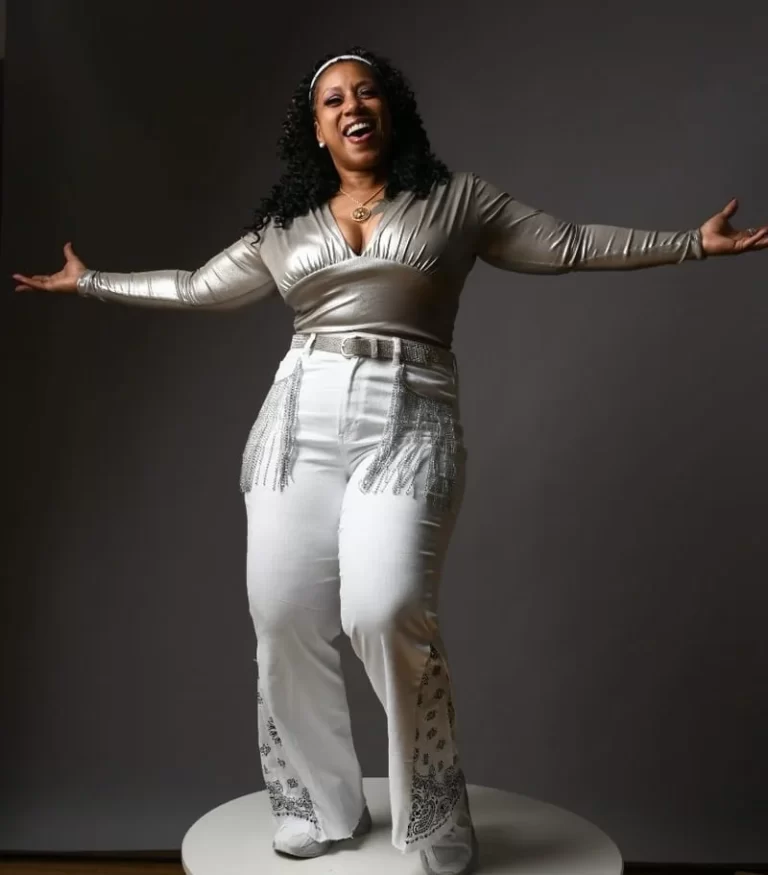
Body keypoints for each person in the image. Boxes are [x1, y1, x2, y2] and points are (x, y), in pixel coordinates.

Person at [13, 44, 767, 875]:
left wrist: (691, 243)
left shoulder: (456, 200)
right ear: (318, 129)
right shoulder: (283, 228)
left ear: (391, 109)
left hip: (409, 413)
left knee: (386, 606)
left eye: (366, 92)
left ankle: (435, 815)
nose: (351, 106)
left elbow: (572, 242)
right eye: (333, 99)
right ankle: (317, 803)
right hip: (298, 417)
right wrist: (89, 284)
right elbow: (197, 285)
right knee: (284, 614)